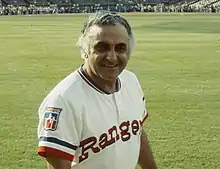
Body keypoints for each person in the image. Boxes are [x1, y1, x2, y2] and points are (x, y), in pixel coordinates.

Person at [37, 11, 158, 169]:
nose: (112, 57)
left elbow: (137, 132)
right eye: (102, 47)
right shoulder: (63, 100)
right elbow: (58, 165)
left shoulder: (131, 81)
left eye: (120, 48)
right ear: (85, 51)